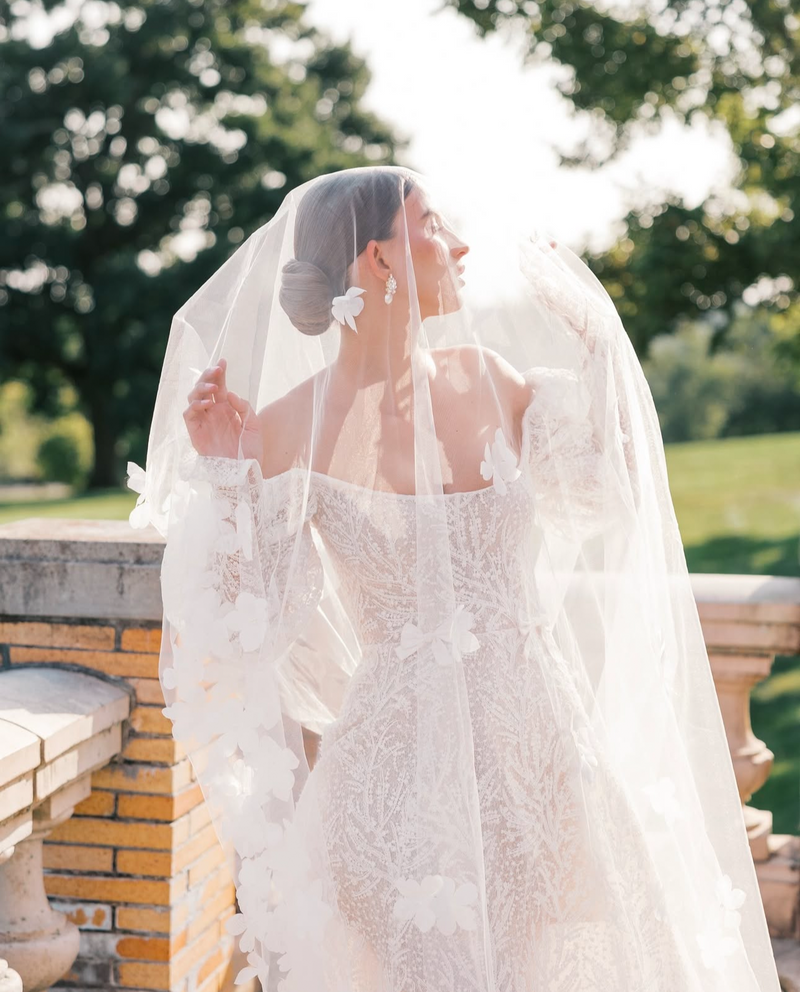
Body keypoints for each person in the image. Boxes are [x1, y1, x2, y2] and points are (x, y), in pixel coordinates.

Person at [129, 165, 781, 992]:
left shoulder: (491, 380)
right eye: (434, 226)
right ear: (379, 259)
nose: (460, 245)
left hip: (537, 752)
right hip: (392, 782)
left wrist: (601, 348)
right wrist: (225, 474)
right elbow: (237, 626)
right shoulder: (287, 427)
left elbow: (607, 489)